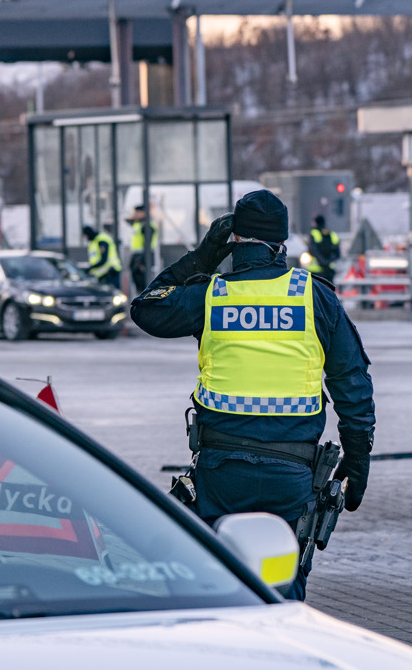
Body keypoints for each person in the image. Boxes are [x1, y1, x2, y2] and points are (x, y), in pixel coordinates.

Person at [129, 189, 374, 601]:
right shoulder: (316, 297)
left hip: (221, 473)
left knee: (220, 582)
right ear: (282, 244)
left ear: (234, 240)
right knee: (283, 589)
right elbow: (353, 387)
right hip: (292, 476)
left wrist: (204, 255)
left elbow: (146, 307)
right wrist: (358, 460)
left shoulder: (211, 295)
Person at [126, 205, 158, 292]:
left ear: (143, 213)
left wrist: (142, 258)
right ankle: (141, 294)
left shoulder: (147, 225)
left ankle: (144, 296)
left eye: (137, 212)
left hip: (143, 255)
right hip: (137, 254)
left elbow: (147, 243)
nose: (135, 214)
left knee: (143, 279)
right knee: (136, 276)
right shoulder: (138, 224)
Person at [82, 224, 122, 289]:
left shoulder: (102, 240)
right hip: (102, 273)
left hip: (110, 271)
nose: (85, 238)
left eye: (85, 236)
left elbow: (104, 259)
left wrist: (91, 268)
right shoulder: (93, 242)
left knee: (114, 294)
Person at [307, 215, 341, 283]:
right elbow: (338, 254)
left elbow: (313, 250)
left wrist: (322, 262)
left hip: (315, 271)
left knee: (315, 292)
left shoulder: (314, 233)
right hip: (329, 271)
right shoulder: (332, 235)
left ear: (316, 223)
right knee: (328, 292)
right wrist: (328, 262)